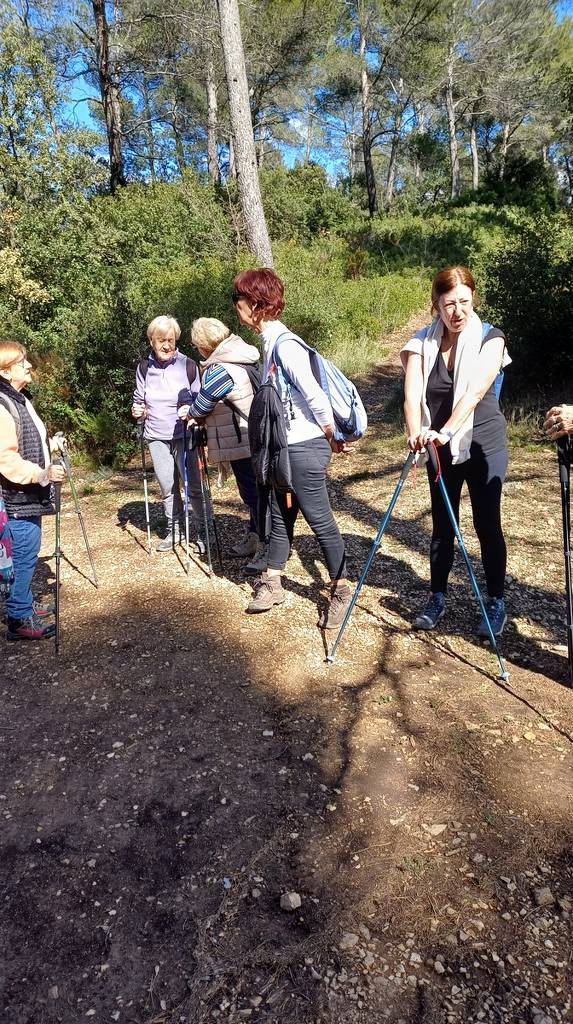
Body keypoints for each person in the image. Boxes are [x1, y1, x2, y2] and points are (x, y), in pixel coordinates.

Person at [231, 268, 351, 626]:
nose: (235, 307)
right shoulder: (269, 343)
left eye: (237, 300)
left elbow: (314, 394)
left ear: (255, 303)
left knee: (319, 519)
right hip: (284, 448)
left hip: (303, 446)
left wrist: (332, 436)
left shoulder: (285, 344)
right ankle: (272, 581)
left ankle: (342, 589)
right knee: (281, 517)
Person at [401, 265, 511, 636]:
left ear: (473, 300)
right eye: (449, 304)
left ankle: (495, 602)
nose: (458, 312)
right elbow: (412, 394)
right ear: (436, 304)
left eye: (464, 302)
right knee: (442, 525)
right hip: (438, 445)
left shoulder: (490, 338)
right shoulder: (421, 342)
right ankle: (437, 596)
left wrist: (446, 430)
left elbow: (476, 391)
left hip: (483, 442)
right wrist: (416, 434)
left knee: (486, 523)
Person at [177, 317, 266, 572]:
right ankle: (255, 537)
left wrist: (189, 410)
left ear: (204, 344)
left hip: (241, 439)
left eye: (197, 345)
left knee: (254, 496)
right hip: (254, 435)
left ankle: (266, 550)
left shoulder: (220, 367)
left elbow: (202, 405)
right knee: (256, 494)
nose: (197, 350)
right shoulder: (241, 354)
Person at [0, 341, 66, 640]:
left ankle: (22, 604)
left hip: (26, 495)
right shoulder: (3, 404)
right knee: (24, 555)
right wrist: (40, 473)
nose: (29, 366)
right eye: (22, 362)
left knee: (27, 551)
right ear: (5, 369)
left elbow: (27, 440)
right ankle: (19, 618)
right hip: (16, 497)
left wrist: (50, 446)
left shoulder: (19, 398)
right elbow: (5, 457)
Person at [132, 315, 208, 552]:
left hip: (184, 434)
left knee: (193, 484)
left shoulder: (188, 365)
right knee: (167, 486)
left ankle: (203, 530)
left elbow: (201, 400)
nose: (167, 345)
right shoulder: (144, 368)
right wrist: (137, 410)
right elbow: (139, 400)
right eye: (161, 340)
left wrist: (192, 411)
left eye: (171, 340)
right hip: (156, 435)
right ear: (151, 341)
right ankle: (173, 530)